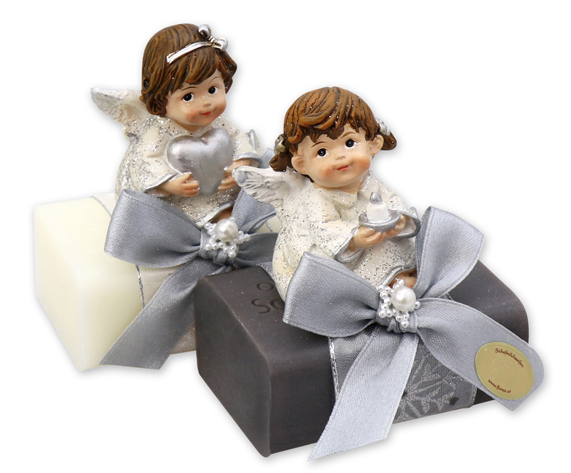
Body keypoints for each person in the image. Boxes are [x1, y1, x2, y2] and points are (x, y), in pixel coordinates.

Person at [233, 86, 417, 300]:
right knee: (368, 254)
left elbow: (391, 199)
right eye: (322, 151)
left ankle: (400, 275)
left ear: (373, 144)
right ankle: (381, 289)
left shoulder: (369, 181)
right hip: (329, 252)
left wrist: (399, 219)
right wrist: (353, 239)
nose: (340, 157)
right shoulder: (316, 197)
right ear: (302, 164)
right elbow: (324, 228)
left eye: (349, 143)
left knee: (394, 245)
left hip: (369, 239)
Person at [92, 23, 262, 227]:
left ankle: (228, 223)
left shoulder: (218, 122)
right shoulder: (158, 130)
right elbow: (147, 160)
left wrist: (240, 164)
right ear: (162, 98)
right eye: (188, 96)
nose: (206, 103)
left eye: (212, 89)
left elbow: (238, 139)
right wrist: (169, 183)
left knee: (236, 214)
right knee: (173, 223)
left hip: (219, 193)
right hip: (178, 202)